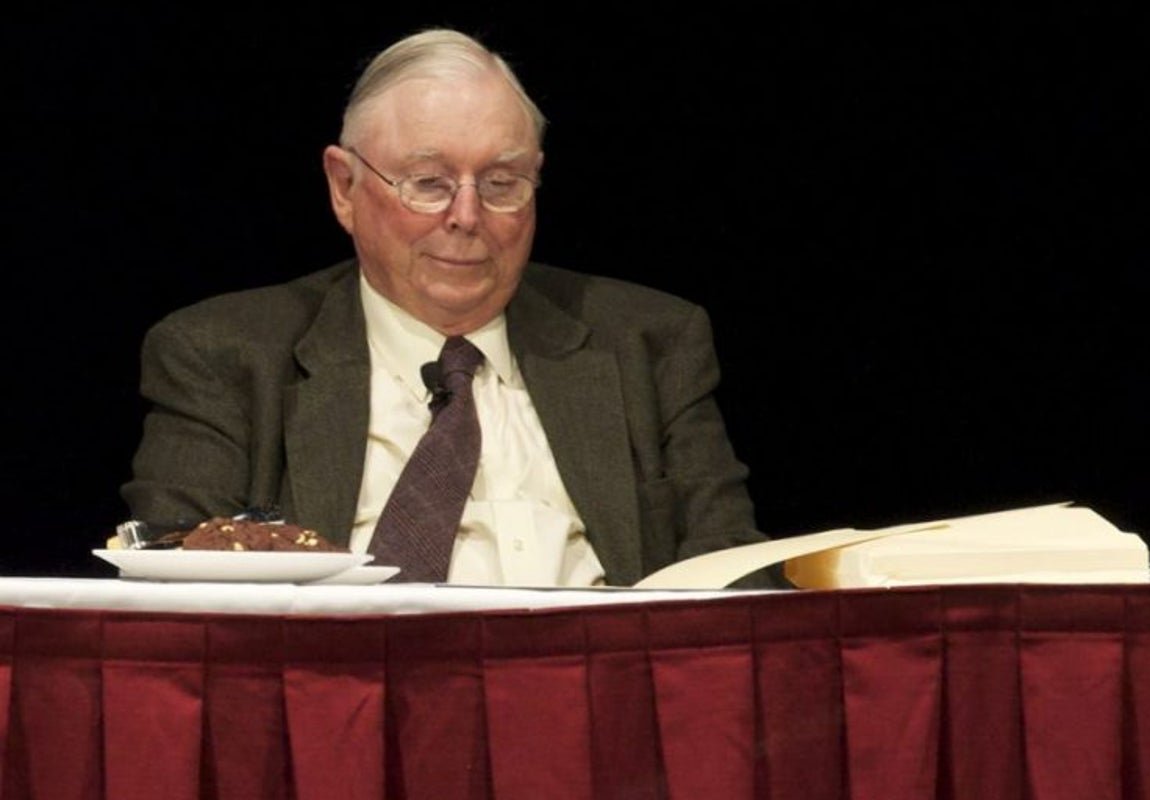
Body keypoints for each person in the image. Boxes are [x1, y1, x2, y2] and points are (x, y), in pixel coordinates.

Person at [121, 28, 783, 588]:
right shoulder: (224, 356)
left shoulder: (651, 342)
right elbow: (177, 598)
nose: (467, 216)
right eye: (429, 183)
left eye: (501, 183)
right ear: (344, 187)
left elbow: (733, 578)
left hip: (593, 688)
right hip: (343, 692)